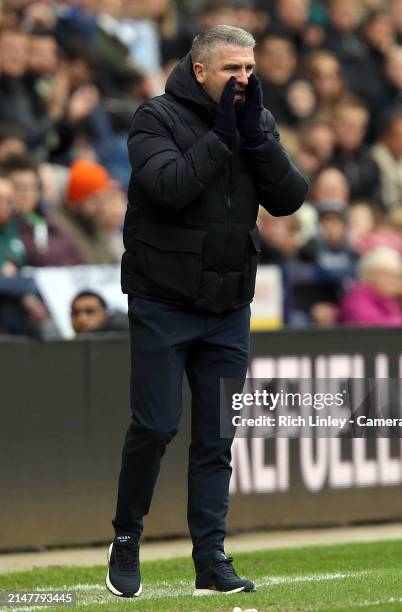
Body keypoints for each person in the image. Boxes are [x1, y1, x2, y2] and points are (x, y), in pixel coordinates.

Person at [107, 25, 307, 599]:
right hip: (162, 300)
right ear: (201, 71)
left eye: (249, 69)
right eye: (231, 70)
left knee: (217, 436)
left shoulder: (254, 121)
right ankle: (126, 538)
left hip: (227, 304)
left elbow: (290, 198)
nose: (243, 80)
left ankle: (210, 560)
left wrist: (256, 138)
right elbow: (168, 187)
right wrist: (222, 137)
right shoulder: (155, 118)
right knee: (156, 425)